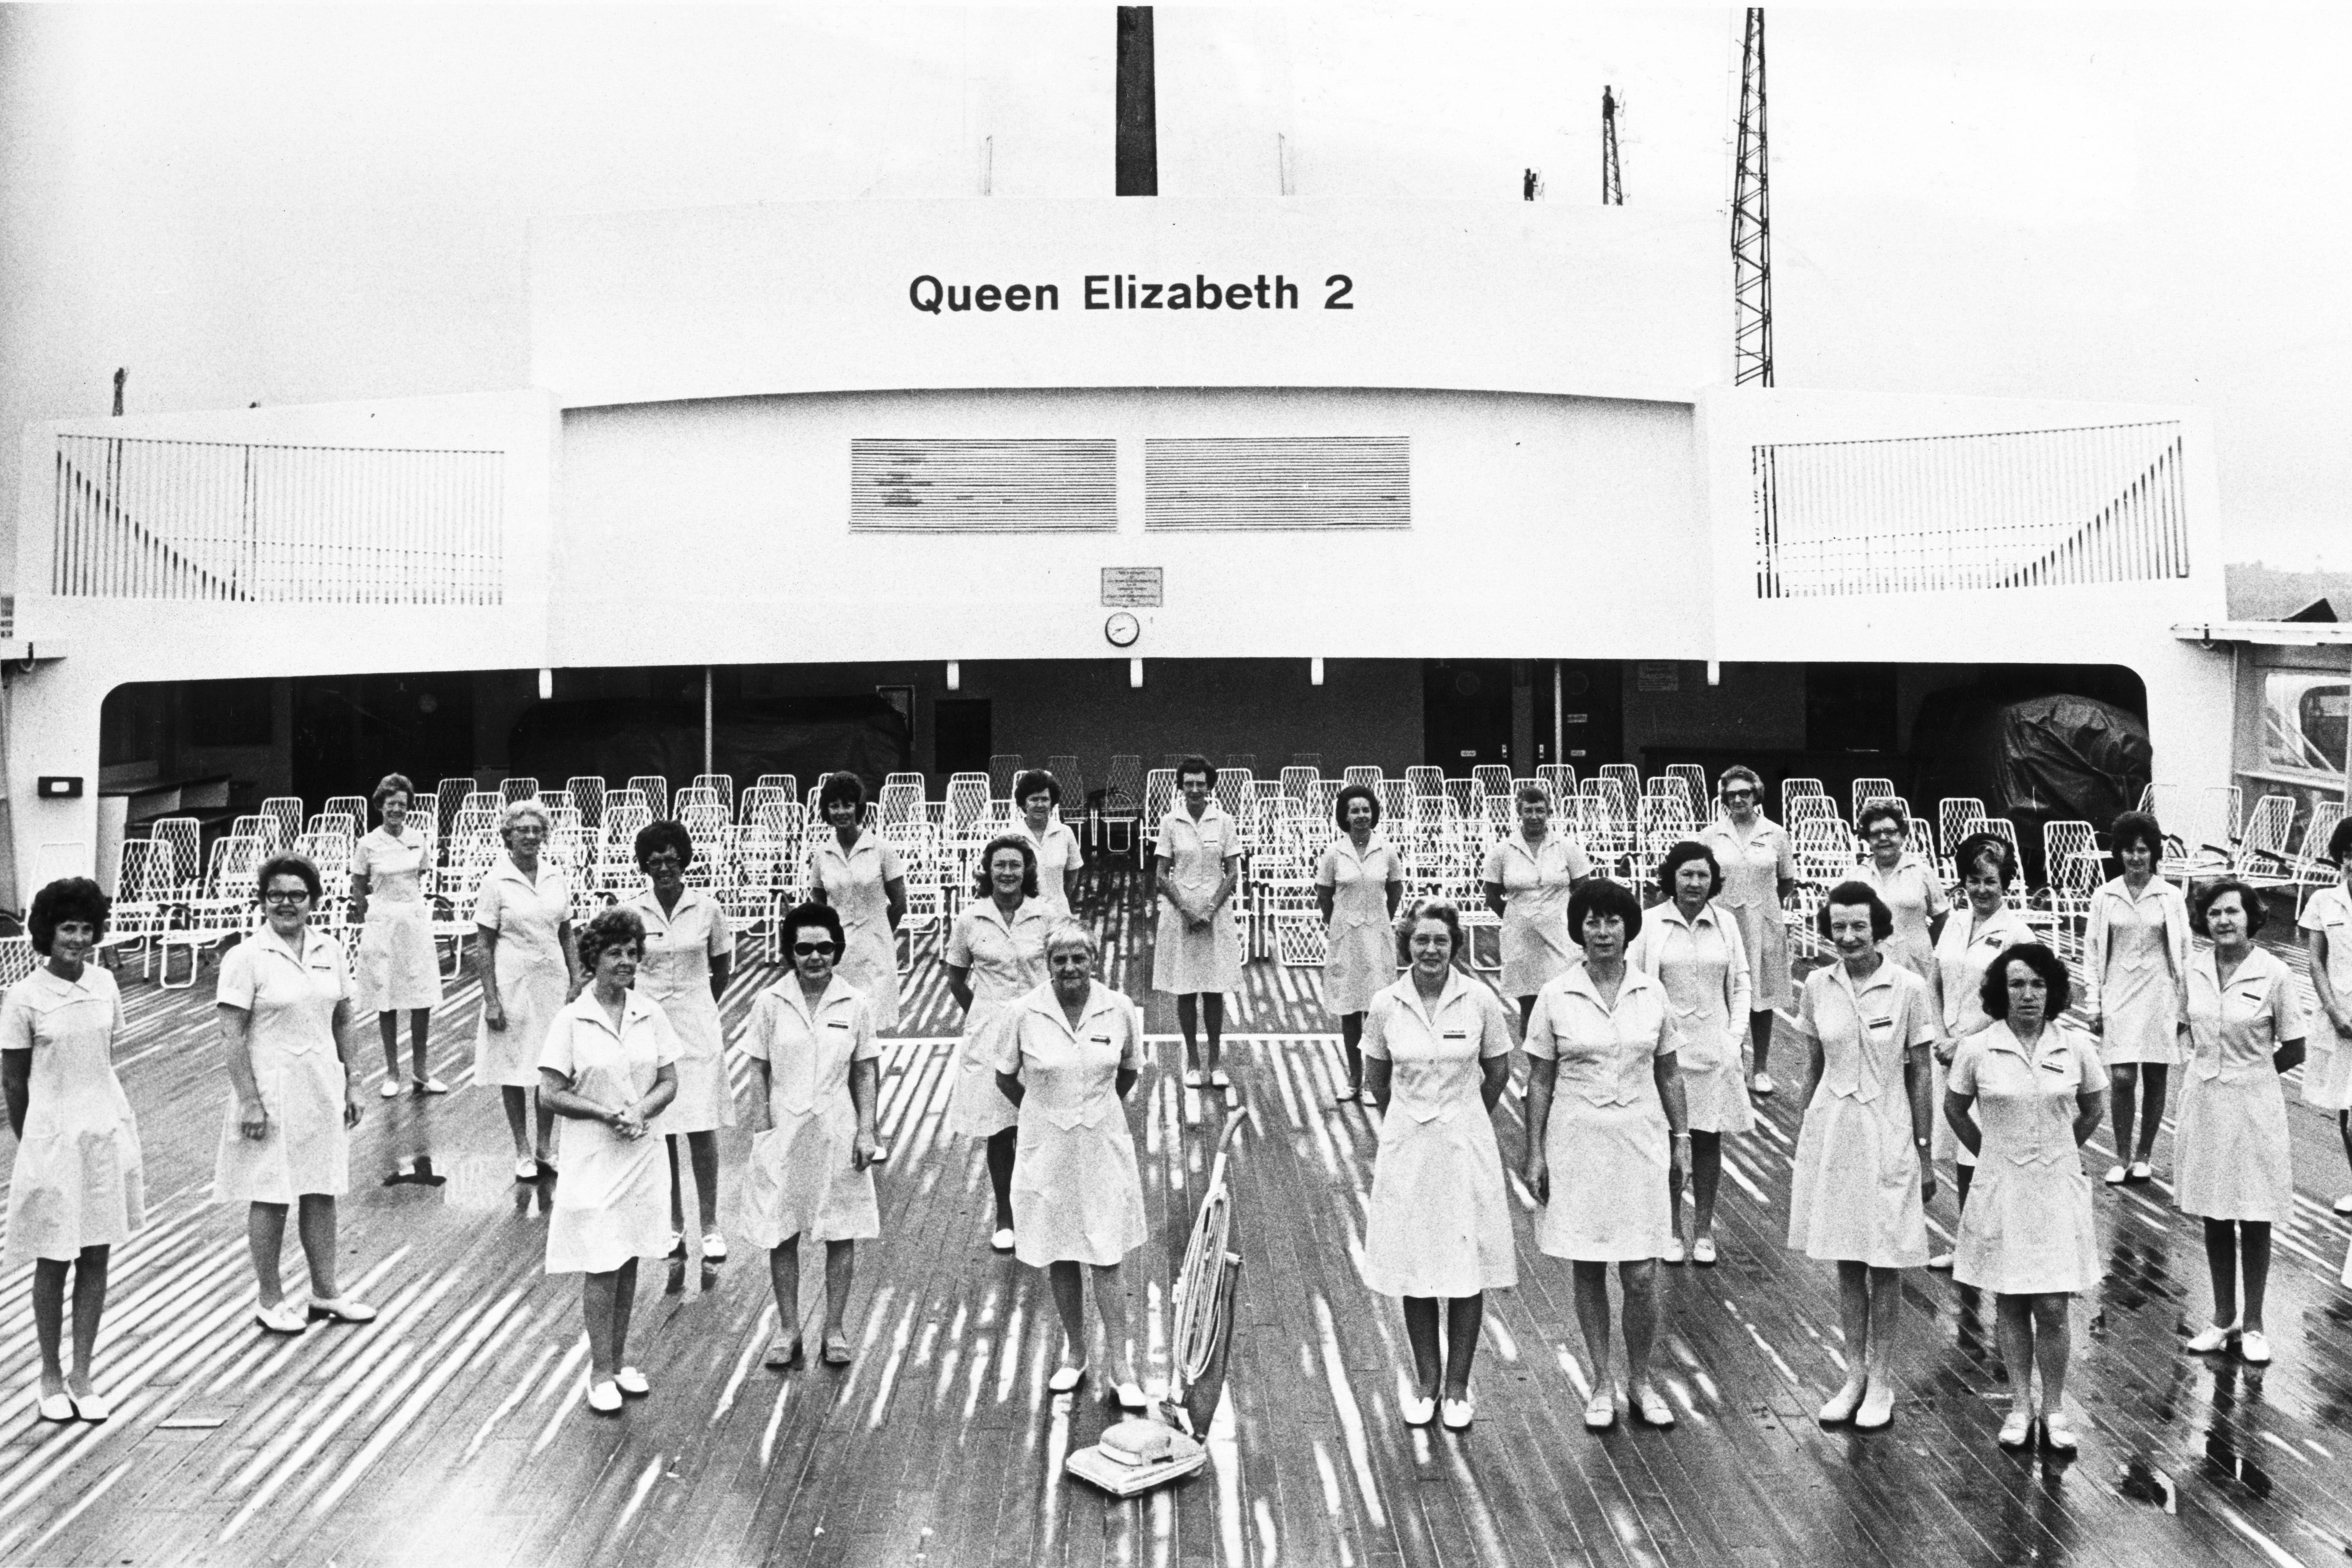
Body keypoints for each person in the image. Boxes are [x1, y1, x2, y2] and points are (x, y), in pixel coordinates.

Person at [1522, 878, 1689, 1432]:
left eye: (1613, 921)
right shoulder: (1555, 995)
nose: (1602, 931)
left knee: (1642, 1273)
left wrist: (1680, 1142)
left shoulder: (1652, 993)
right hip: (1578, 1142)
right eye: (1592, 921)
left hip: (1641, 1141)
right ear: (1579, 929)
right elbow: (1540, 1080)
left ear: (1627, 928)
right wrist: (1535, 1155)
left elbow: (1668, 1071)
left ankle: (1640, 1380)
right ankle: (1601, 1381)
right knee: (1590, 1264)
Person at [1786, 881, 1938, 1431]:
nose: (1848, 936)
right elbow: (1812, 1065)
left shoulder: (1909, 987)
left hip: (1890, 1129)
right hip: (1833, 1131)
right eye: (1839, 926)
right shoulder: (1816, 985)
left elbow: (1921, 1073)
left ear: (1878, 926)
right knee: (1848, 1256)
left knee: (1886, 1259)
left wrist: (1925, 1151)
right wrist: (1804, 1139)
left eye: (1859, 925)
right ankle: (1853, 1375)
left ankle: (1883, 1380)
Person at [1944, 944, 2106, 1452]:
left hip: (2056, 1189)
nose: (2028, 994)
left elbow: (2094, 1106)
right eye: (2017, 984)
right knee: (2012, 1300)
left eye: (2038, 984)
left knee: (2054, 1306)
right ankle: (2019, 1405)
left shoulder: (2076, 1047)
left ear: (2052, 989)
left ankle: (2054, 1408)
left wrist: (2059, 1149)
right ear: (2001, 991)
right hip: (2003, 1189)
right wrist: (1991, 1152)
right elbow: (1954, 1107)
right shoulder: (1977, 1048)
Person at [1360, 901, 1515, 1431]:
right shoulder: (1385, 1004)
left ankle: (1457, 1387)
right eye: (1422, 940)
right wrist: (1409, 1123)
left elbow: (1497, 1071)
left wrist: (1464, 1117)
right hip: (1407, 1148)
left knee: (1464, 1267)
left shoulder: (1479, 1001)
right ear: (1408, 945)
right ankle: (1426, 1383)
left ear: (1456, 946)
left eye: (1441, 941)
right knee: (1415, 1265)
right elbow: (1378, 1080)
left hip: (1465, 1146)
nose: (1431, 950)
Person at [214, 854, 376, 1334]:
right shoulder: (245, 957)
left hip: (321, 1085)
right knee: (271, 1193)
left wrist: (354, 1080)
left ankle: (325, 1292)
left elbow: (343, 1017)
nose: (287, 903)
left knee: (321, 1188)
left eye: (297, 895)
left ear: (314, 901)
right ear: (262, 901)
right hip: (271, 1090)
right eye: (276, 895)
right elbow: (231, 1035)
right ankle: (270, 1298)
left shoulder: (331, 948)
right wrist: (249, 1100)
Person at [3, 878, 143, 1420]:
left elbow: (102, 1058)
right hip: (51, 1138)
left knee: (96, 1251)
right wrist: (36, 1140)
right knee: (54, 1255)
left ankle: (83, 1375)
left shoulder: (106, 983)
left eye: (86, 928)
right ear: (47, 932)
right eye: (68, 928)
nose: (78, 939)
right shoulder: (23, 997)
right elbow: (14, 1083)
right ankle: (50, 1375)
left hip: (104, 1131)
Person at [994, 922, 1148, 1408]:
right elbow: (1005, 1077)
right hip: (1047, 1147)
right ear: (1048, 964)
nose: (1070, 968)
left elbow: (1128, 1070)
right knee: (1060, 1250)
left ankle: (1122, 1366)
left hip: (1102, 1143)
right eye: (1060, 959)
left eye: (1079, 958)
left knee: (1106, 1253)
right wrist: (1042, 1111)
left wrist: (1093, 1110)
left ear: (1094, 960)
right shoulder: (1022, 1012)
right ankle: (1076, 1353)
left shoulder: (1119, 1008)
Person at [539, 908, 682, 1414]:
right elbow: (550, 1094)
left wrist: (640, 1110)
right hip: (594, 1155)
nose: (625, 961)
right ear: (593, 959)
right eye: (614, 953)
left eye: (631, 952)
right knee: (601, 1261)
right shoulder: (570, 1018)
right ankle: (599, 1370)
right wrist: (605, 1113)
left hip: (642, 1151)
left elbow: (669, 1080)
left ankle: (619, 1361)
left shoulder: (651, 1012)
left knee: (627, 1258)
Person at [741, 903, 881, 1369]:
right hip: (783, 1128)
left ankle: (835, 1327)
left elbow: (865, 1071)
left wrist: (867, 1129)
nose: (815, 956)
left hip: (837, 1128)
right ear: (791, 952)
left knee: (840, 1228)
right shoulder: (769, 1002)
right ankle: (788, 1328)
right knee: (782, 1229)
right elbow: (758, 1068)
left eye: (824, 947)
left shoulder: (855, 1003)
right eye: (804, 948)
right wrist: (762, 1124)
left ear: (837, 948)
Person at [2177, 878, 2307, 1366]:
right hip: (2205, 1100)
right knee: (2214, 1209)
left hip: (2255, 1105)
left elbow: (2295, 1045)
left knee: (2254, 1213)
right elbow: (2184, 1025)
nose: (2224, 921)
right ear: (2205, 920)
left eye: (2233, 912)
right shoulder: (2193, 968)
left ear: (2251, 917)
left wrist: (2250, 1076)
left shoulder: (2274, 973)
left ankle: (2253, 1323)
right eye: (2215, 913)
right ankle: (2222, 1316)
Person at [1628, 841, 1751, 1266]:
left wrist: (1734, 1038)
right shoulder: (1648, 924)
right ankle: (1672, 1229)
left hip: (1714, 1049)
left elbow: (1741, 984)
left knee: (1707, 1139)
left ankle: (1703, 1230)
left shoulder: (1727, 924)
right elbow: (1639, 987)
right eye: (1686, 874)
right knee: (1668, 1140)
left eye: (1702, 875)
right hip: (1667, 1055)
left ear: (1713, 879)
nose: (1694, 883)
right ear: (1672, 878)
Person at [624, 820, 736, 1260]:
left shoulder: (708, 909)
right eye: (655, 861)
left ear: (684, 860)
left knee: (701, 1127)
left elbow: (722, 966)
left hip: (697, 1025)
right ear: (645, 866)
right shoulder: (633, 912)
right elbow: (627, 965)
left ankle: (710, 1224)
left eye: (672, 859)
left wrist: (701, 1000)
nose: (664, 868)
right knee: (663, 1129)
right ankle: (674, 1223)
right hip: (650, 1027)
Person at [1924, 832, 2035, 1268]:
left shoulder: (2017, 933)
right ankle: (1970, 1244)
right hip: (1947, 1051)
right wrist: (1939, 1032)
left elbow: (2018, 1000)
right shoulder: (1954, 922)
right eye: (1973, 880)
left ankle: (1996, 1244)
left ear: (2005, 882)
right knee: (1960, 1150)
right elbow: (1934, 978)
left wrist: (1964, 1040)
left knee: (1983, 1151)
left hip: (1989, 1053)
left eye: (1990, 881)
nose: (1982, 890)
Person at [946, 834, 1054, 1251]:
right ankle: (1006, 1217)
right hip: (989, 1031)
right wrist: (985, 1012)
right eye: (999, 865)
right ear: (988, 870)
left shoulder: (1045, 915)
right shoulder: (970, 919)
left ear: (1026, 870)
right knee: (999, 1128)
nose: (1007, 873)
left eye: (1014, 865)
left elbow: (1062, 968)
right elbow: (956, 978)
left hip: (1039, 1027)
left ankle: (1041, 1209)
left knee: (1042, 1121)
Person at [2084, 812, 2190, 1187]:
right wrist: (2094, 1004)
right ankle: (2122, 1156)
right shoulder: (2105, 895)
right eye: (2129, 849)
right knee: (2124, 1078)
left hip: (2161, 994)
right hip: (2119, 994)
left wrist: (2185, 1005)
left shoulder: (2170, 895)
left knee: (2156, 1075)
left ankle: (2144, 1156)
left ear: (2154, 853)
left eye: (2143, 850)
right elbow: (2093, 950)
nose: (2136, 857)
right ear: (2120, 852)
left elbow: (2186, 952)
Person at [473, 799, 577, 1182]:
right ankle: (522, 1151)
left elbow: (566, 932)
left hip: (552, 983)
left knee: (549, 1066)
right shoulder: (494, 881)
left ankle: (545, 1148)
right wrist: (491, 1000)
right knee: (515, 1067)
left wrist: (577, 979)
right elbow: (483, 945)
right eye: (523, 830)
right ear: (508, 836)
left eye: (537, 830)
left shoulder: (555, 875)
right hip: (512, 984)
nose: (531, 837)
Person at [1699, 766, 1796, 1096]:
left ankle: (1761, 1068)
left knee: (1761, 998)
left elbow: (1786, 880)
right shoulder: (1710, 835)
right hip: (1723, 923)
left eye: (1745, 793)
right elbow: (1704, 879)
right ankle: (1733, 1061)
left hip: (1763, 926)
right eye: (1731, 795)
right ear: (1723, 799)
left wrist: (1764, 907)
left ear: (1756, 796)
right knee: (1725, 992)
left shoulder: (1776, 834)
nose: (1738, 800)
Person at [350, 772, 447, 1097]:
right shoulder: (367, 844)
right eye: (391, 804)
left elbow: (419, 875)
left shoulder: (419, 838)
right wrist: (378, 915)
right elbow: (359, 889)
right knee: (386, 997)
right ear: (381, 806)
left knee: (421, 996)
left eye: (403, 805)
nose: (397, 811)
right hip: (383, 925)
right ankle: (392, 1073)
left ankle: (421, 1071)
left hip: (415, 923)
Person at [1154, 756, 1245, 1090]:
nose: (1195, 789)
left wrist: (1209, 910)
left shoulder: (1224, 822)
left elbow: (1233, 872)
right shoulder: (1169, 822)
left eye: (1200, 783)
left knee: (1214, 989)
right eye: (1189, 783)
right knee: (1185, 989)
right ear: (1181, 787)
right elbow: (1162, 875)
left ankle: (1216, 1062)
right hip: (1180, 916)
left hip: (1215, 915)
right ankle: (1193, 1061)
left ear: (1209, 786)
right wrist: (1188, 911)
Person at [1318, 784, 1405, 1102]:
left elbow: (1395, 891)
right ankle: (1354, 1078)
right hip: (1345, 939)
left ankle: (1373, 1079)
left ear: (1374, 814)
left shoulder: (1388, 851)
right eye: (1354, 810)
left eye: (1366, 810)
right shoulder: (1333, 853)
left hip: (1377, 937)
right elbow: (1324, 896)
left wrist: (1380, 919)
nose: (1361, 816)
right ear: (1344, 815)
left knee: (1376, 1009)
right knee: (1349, 1008)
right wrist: (1340, 923)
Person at [1481, 781, 1593, 1027]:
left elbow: (1584, 893)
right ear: (1519, 813)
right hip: (1521, 938)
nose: (1534, 817)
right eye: (1528, 811)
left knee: (1564, 1002)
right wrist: (1519, 917)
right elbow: (1491, 896)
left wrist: (1564, 919)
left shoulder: (1568, 848)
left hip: (1560, 936)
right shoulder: (1502, 851)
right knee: (1530, 1012)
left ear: (1549, 812)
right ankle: (1535, 1064)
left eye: (1540, 810)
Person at [806, 773, 908, 1033]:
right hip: (838, 953)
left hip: (875, 951)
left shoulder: (882, 849)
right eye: (834, 805)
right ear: (827, 810)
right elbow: (819, 900)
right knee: (840, 1028)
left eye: (848, 804)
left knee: (871, 1031)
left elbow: (899, 903)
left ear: (859, 808)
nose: (841, 812)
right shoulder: (822, 854)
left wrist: (879, 931)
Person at [2296, 817, 2352, 1210]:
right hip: (2340, 1018)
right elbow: (2316, 962)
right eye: (2349, 855)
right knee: (2347, 1110)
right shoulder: (2322, 901)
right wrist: (2334, 1012)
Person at [1853, 801, 1948, 981]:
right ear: (1867, 838)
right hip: (1870, 970)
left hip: (1917, 969)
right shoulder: (1856, 876)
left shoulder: (1923, 873)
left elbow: (1943, 919)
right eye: (1875, 834)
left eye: (1890, 832)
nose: (1883, 838)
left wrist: (1919, 944)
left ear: (1903, 835)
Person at [1012, 769, 1084, 920]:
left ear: (1052, 803)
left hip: (1059, 917)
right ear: (1024, 803)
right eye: (1034, 799)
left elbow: (1072, 877)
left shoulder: (1065, 833)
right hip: (1022, 918)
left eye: (1045, 799)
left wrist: (1057, 903)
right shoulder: (1010, 836)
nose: (1040, 805)